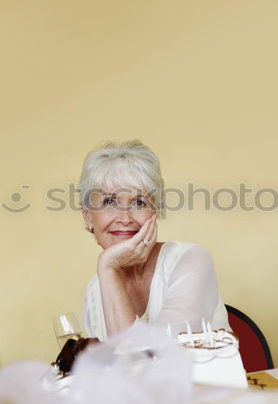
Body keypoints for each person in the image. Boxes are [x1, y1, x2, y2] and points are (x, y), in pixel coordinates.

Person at [79, 140, 230, 340]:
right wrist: (109, 271)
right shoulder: (95, 290)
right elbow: (106, 367)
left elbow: (150, 357)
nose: (125, 219)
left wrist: (107, 265)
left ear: (155, 212)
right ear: (89, 216)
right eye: (109, 202)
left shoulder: (191, 261)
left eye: (139, 202)